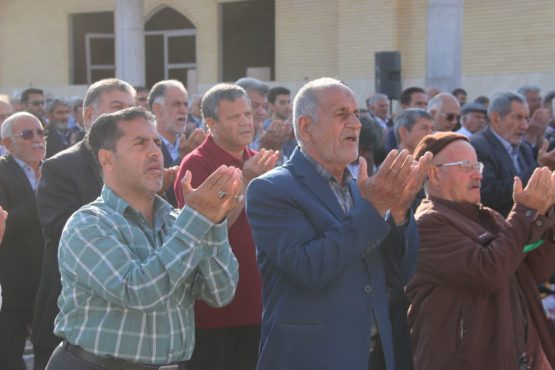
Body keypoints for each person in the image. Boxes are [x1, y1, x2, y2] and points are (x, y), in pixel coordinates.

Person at [246, 77, 432, 370]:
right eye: (342, 114)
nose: (356, 124)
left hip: (374, 355)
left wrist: (399, 212)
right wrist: (375, 207)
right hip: (312, 357)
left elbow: (399, 275)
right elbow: (310, 268)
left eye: (356, 114)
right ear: (306, 127)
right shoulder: (271, 189)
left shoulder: (363, 187)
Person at [46, 107, 240, 369]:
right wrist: (196, 218)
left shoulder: (177, 221)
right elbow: (138, 292)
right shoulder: (88, 224)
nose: (155, 152)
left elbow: (220, 293)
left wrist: (214, 220)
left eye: (157, 143)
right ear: (107, 159)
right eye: (140, 143)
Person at [407, 131, 555, 369]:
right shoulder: (427, 224)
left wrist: (547, 215)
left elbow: (535, 271)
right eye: (466, 166)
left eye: (478, 166)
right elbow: (489, 272)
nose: (477, 175)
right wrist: (525, 210)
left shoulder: (489, 217)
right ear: (434, 174)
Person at [31, 78, 137, 370]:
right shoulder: (60, 167)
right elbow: (64, 231)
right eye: (117, 109)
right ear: (89, 116)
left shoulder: (144, 163)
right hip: (71, 318)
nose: (127, 119)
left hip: (127, 320)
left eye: (132, 110)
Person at [175, 83, 278, 370]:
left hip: (260, 302)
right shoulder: (197, 164)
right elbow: (206, 229)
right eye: (234, 117)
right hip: (215, 310)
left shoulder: (258, 161)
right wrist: (245, 181)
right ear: (211, 123)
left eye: (248, 113)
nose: (246, 122)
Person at [0, 112, 46, 370]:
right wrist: (40, 193)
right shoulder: (2, 171)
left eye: (40, 132)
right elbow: (7, 223)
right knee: (9, 353)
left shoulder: (52, 169)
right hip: (13, 282)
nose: (37, 139)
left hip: (48, 279)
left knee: (49, 348)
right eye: (27, 134)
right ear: (7, 143)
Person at [471, 92, 538, 217]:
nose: (525, 125)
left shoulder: (524, 148)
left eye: (526, 118)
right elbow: (490, 195)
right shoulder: (477, 147)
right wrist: (538, 169)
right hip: (497, 229)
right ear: (496, 118)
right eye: (518, 117)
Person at [148, 79, 206, 206]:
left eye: (186, 104)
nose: (184, 110)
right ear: (157, 108)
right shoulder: (144, 147)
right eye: (176, 104)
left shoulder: (194, 142)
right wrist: (183, 158)